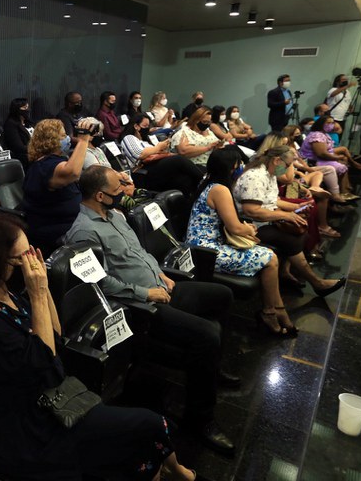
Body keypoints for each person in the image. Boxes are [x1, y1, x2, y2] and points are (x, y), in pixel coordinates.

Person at [0, 214, 197, 480]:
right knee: (148, 428)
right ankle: (180, 474)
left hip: (52, 396)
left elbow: (55, 336)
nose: (29, 264)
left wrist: (44, 289)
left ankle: (175, 471)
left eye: (30, 254)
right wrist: (36, 294)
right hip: (28, 423)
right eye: (21, 258)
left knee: (148, 431)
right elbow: (43, 357)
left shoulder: (2, 291)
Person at [64, 166, 237, 455]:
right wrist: (146, 293)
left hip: (161, 285)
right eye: (117, 190)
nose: (123, 192)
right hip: (141, 304)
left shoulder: (115, 215)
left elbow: (139, 252)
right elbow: (99, 281)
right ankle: (200, 419)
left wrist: (161, 274)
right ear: (99, 195)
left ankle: (210, 367)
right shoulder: (84, 231)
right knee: (207, 334)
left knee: (222, 295)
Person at [186, 148, 294, 335]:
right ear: (230, 167)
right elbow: (235, 228)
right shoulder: (220, 189)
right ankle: (271, 312)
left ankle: (275, 310)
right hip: (206, 251)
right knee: (270, 258)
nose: (241, 168)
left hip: (204, 243)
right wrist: (249, 229)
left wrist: (244, 228)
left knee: (270, 256)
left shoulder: (209, 182)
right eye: (238, 165)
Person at [232, 146, 346, 297]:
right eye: (287, 165)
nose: (287, 169)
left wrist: (297, 207)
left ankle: (287, 273)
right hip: (250, 224)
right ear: (277, 160)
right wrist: (285, 215)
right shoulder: (255, 177)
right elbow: (252, 211)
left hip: (265, 219)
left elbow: (274, 201)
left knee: (301, 231)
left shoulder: (270, 174)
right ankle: (317, 283)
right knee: (292, 240)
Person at [22, 118, 91, 255]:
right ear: (50, 140)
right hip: (57, 233)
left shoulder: (55, 161)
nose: (68, 139)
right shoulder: (43, 167)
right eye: (63, 136)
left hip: (75, 224)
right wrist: (83, 141)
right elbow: (72, 172)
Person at [119, 113, 203, 199]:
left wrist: (163, 149)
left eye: (148, 126)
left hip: (156, 168)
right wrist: (158, 147)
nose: (147, 128)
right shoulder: (129, 138)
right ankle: (204, 182)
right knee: (179, 159)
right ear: (136, 126)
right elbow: (139, 154)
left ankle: (194, 201)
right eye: (145, 126)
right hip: (143, 171)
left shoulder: (147, 140)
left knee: (185, 180)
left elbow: (155, 153)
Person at [300, 115, 361, 200]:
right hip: (314, 161)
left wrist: (337, 157)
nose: (331, 125)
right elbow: (322, 154)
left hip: (321, 158)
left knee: (343, 159)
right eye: (328, 123)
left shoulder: (323, 134)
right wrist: (336, 158)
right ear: (321, 123)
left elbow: (329, 148)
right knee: (341, 167)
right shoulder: (316, 135)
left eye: (332, 123)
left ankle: (346, 188)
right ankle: (344, 192)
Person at [282, 125, 347, 206]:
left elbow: (299, 159)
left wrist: (305, 168)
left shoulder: (294, 145)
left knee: (324, 173)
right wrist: (302, 171)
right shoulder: (282, 156)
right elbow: (288, 178)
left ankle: (319, 189)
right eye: (296, 134)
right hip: (294, 179)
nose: (299, 136)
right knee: (326, 172)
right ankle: (333, 196)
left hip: (300, 173)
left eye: (299, 134)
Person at [2, 97, 34, 166]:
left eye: (28, 107)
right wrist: (36, 150)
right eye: (24, 108)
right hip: (23, 157)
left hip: (34, 152)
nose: (27, 110)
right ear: (17, 109)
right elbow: (18, 147)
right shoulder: (10, 124)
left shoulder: (28, 122)